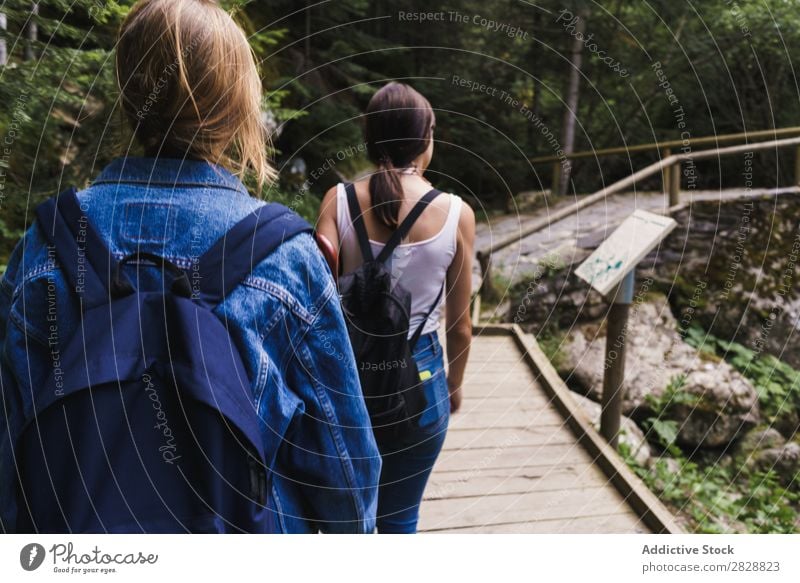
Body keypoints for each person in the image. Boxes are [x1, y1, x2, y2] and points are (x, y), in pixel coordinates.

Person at [0, 0, 380, 534]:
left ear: (130, 95)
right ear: (236, 107)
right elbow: (344, 467)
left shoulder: (47, 245)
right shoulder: (285, 256)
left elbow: (10, 438)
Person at [317, 82, 475, 533]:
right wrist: (454, 387)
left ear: (370, 139)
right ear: (426, 139)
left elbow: (319, 306)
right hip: (421, 381)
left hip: (349, 377)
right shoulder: (456, 214)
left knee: (341, 519)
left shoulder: (337, 200)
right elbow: (460, 328)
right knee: (400, 518)